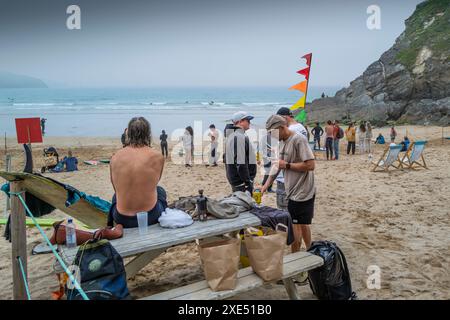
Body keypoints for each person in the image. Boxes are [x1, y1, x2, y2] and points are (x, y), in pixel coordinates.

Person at [261, 115, 316, 254]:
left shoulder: (298, 140)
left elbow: (310, 165)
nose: (272, 136)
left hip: (302, 191)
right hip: (292, 190)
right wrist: (266, 185)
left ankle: (296, 257)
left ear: (282, 127)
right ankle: (311, 250)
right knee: (303, 223)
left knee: (294, 227)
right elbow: (277, 166)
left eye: (273, 132)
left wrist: (287, 165)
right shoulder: (281, 142)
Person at [108, 117, 167, 228]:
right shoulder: (157, 156)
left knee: (115, 196)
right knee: (160, 191)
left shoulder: (115, 157)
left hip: (121, 218)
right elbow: (155, 182)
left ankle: (109, 223)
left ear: (128, 133)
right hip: (150, 216)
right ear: (148, 133)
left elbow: (115, 188)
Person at [224, 111, 256, 194]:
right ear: (240, 122)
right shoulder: (238, 136)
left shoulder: (233, 135)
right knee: (243, 205)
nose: (249, 122)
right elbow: (240, 163)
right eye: (247, 120)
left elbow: (226, 157)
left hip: (237, 180)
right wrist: (247, 183)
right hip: (240, 182)